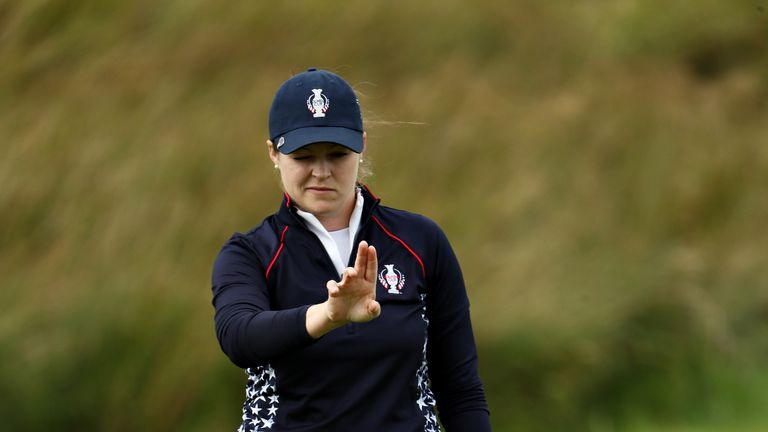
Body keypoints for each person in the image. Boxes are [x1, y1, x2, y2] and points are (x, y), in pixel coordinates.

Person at [211, 68, 491, 431]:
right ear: (274, 153)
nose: (322, 172)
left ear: (362, 146)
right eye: (304, 156)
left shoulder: (421, 241)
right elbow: (240, 336)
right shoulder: (250, 253)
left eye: (337, 154)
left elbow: (460, 388)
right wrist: (329, 314)